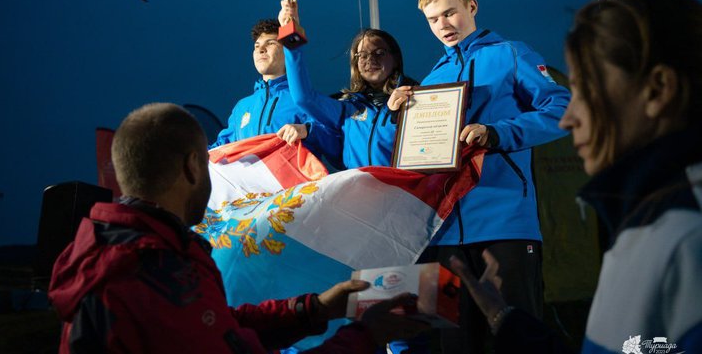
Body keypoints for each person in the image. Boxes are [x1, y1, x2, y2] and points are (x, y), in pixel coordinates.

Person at [48, 103, 429, 353]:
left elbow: (221, 325)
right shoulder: (155, 270)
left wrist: (314, 309)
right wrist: (367, 337)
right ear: (194, 168)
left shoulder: (118, 247)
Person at [449, 0, 702, 354]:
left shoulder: (686, 238)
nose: (568, 117)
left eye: (584, 89)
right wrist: (504, 318)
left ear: (659, 89)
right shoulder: (646, 225)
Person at [389, 0, 571, 353]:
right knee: (456, 343)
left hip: (503, 221)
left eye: (450, 13)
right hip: (445, 232)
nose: (443, 25)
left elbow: (564, 109)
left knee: (514, 338)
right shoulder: (433, 79)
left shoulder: (510, 53)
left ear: (471, 6)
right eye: (433, 19)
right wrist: (401, 115)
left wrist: (498, 133)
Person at [279, 1, 419, 168]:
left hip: (403, 192)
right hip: (359, 192)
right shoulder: (347, 109)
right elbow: (304, 98)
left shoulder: (414, 99)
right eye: (362, 55)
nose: (370, 60)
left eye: (379, 53)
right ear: (355, 63)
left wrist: (395, 114)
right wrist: (291, 38)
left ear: (396, 59)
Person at [210, 19, 339, 157]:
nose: (260, 49)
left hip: (294, 178)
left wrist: (306, 130)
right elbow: (218, 150)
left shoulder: (305, 99)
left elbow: (335, 143)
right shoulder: (241, 108)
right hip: (250, 178)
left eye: (270, 43)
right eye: (256, 46)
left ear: (287, 51)